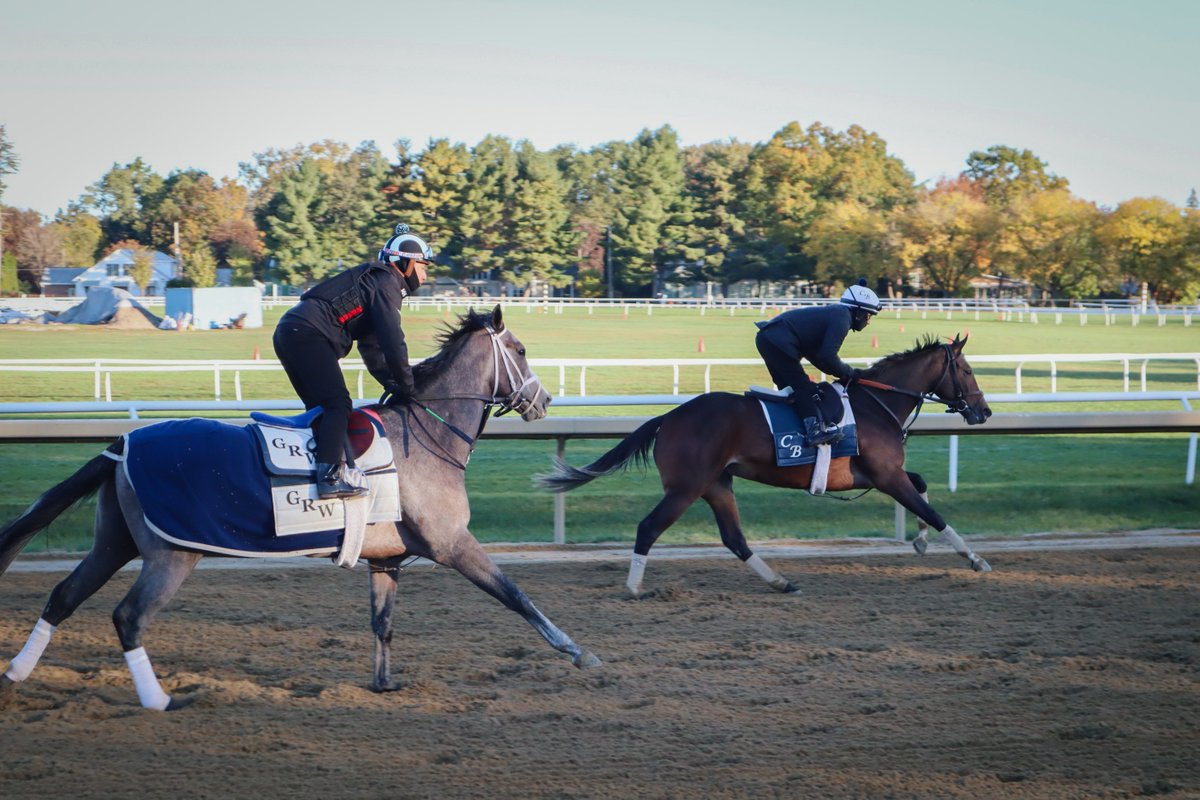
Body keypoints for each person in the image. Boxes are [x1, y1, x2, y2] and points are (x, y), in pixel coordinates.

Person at [273, 223, 432, 498]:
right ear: (404, 263)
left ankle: (314, 472)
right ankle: (329, 479)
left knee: (323, 410)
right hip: (306, 334)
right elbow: (394, 343)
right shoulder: (386, 284)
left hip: (294, 331)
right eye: (423, 266)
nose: (426, 275)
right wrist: (409, 387)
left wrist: (392, 383)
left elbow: (372, 349)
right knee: (338, 404)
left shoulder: (378, 283)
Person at [754, 279, 881, 446]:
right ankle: (813, 433)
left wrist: (843, 374)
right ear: (858, 312)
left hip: (768, 338)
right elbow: (828, 356)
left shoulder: (836, 314)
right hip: (778, 341)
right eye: (868, 315)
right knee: (803, 388)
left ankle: (789, 428)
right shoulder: (842, 318)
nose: (868, 321)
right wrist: (850, 373)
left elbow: (819, 358)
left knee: (789, 389)